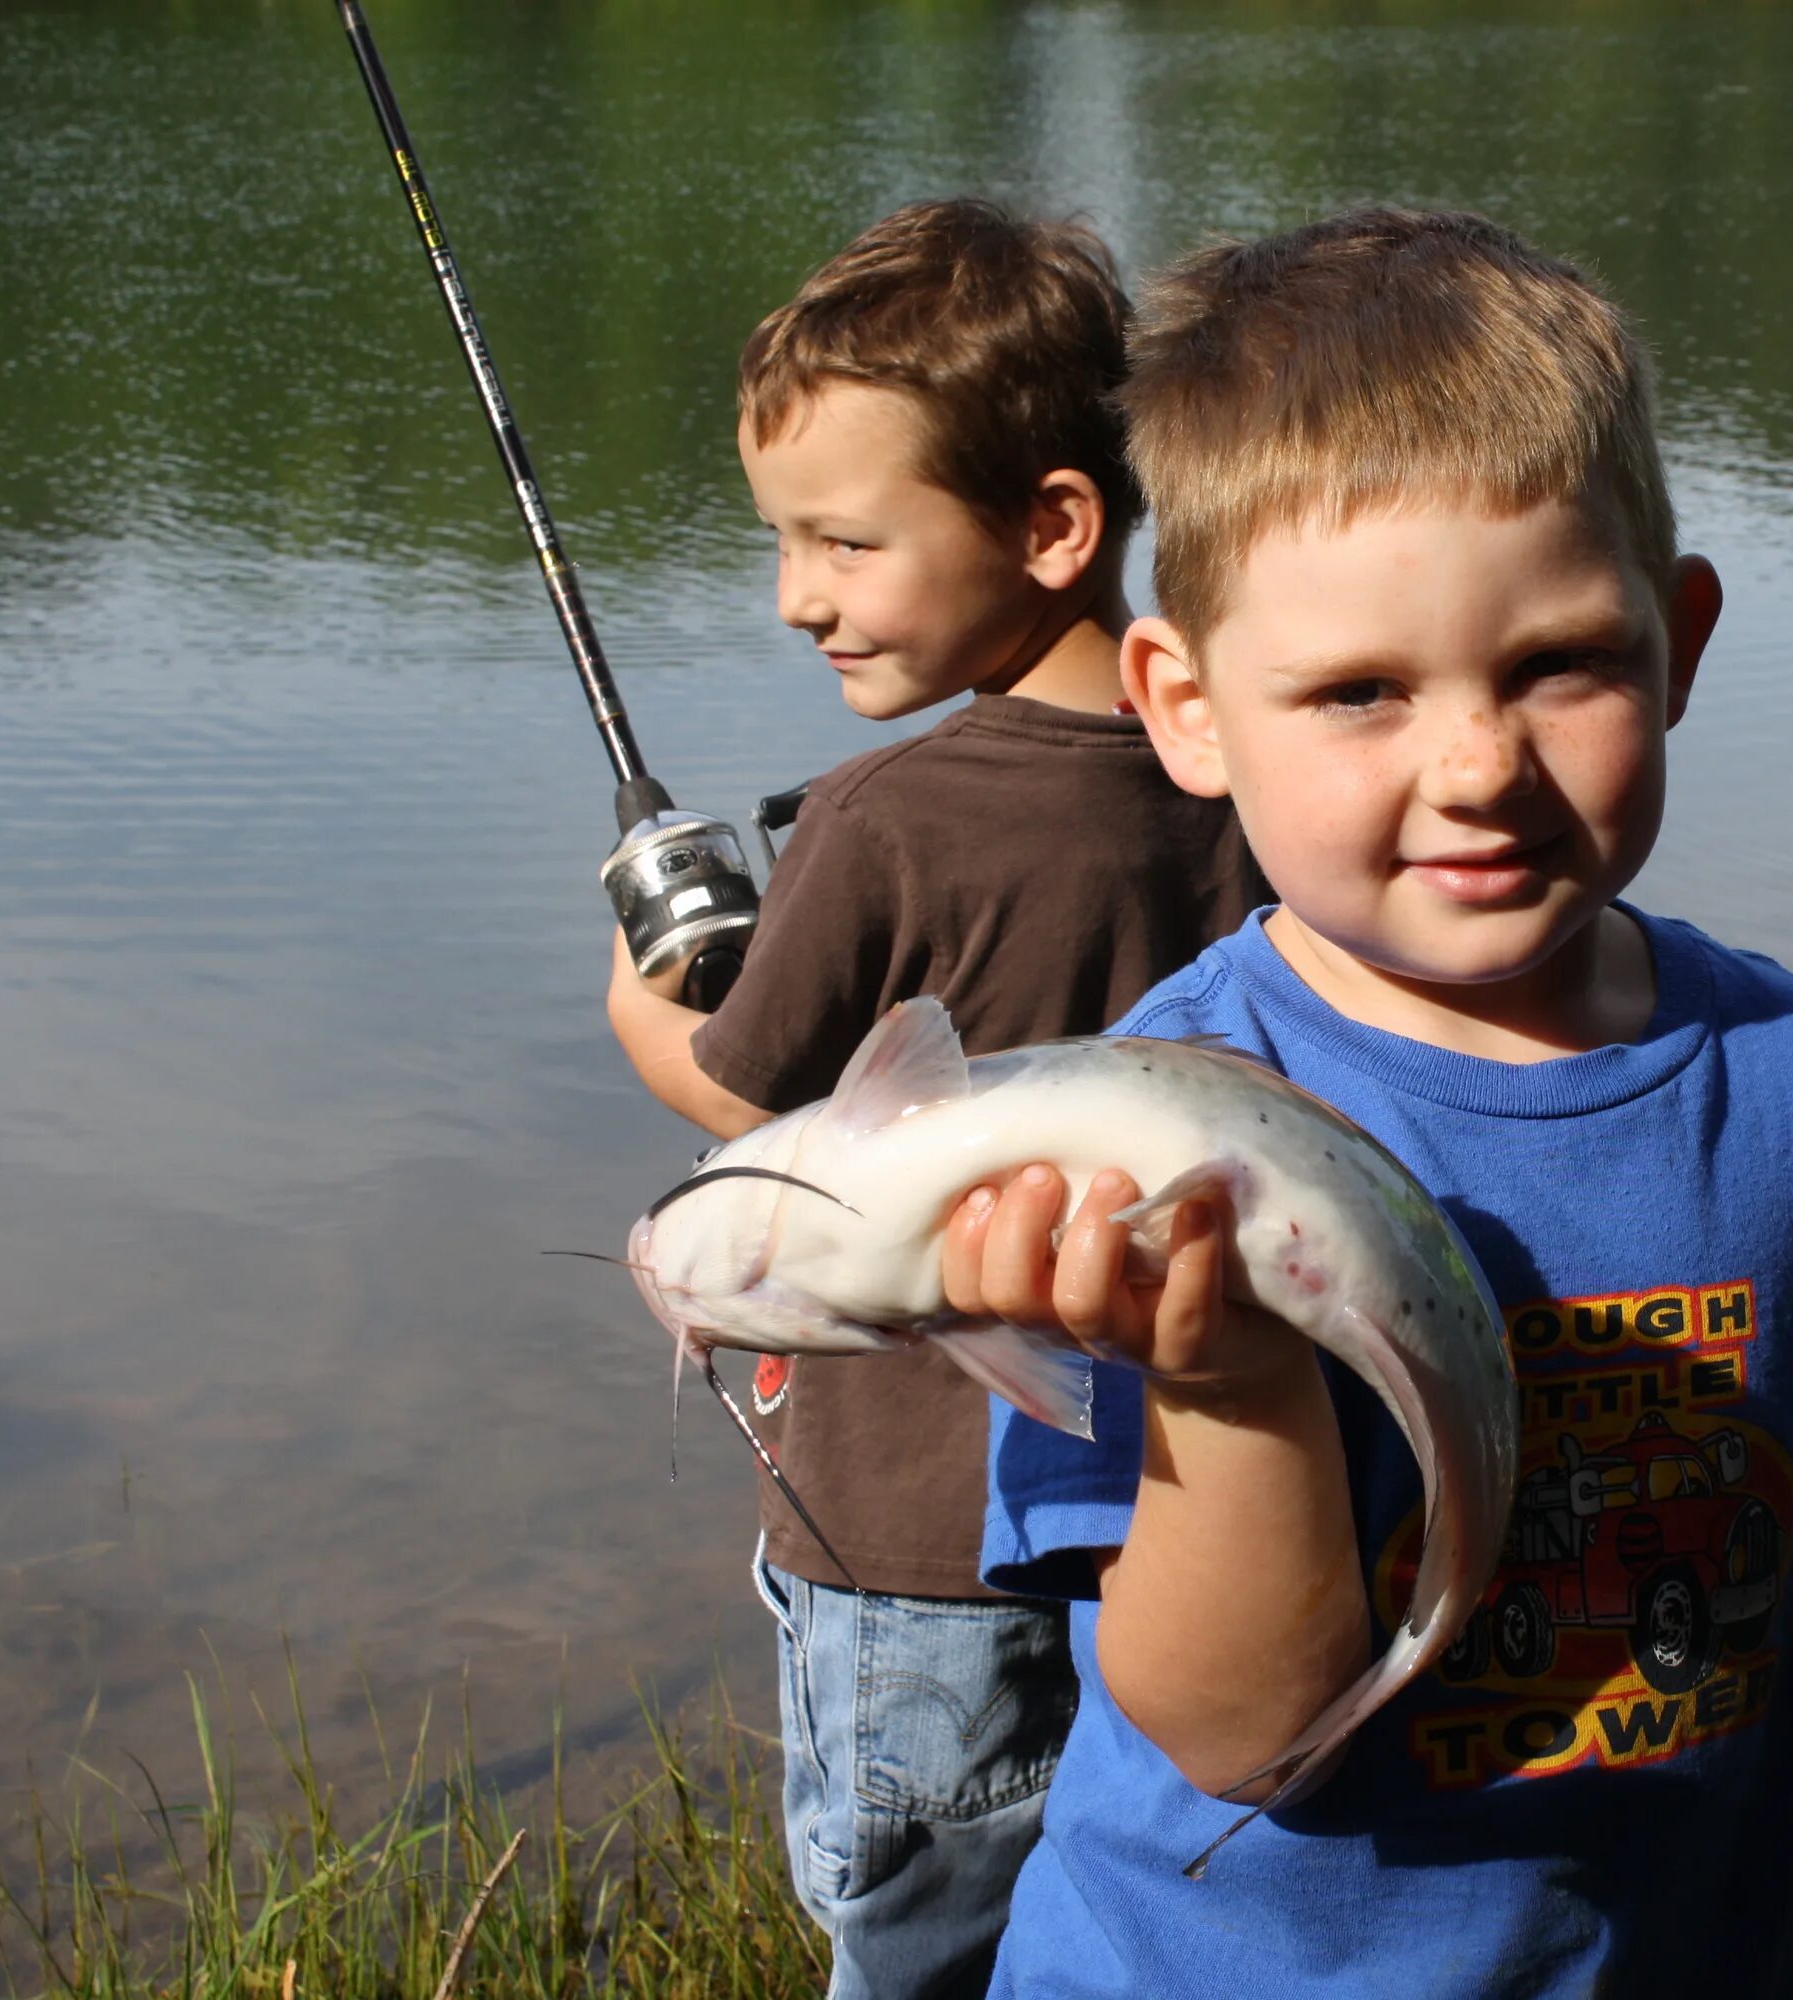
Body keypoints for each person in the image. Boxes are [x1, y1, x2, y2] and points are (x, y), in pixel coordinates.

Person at [942, 208, 1793, 1997]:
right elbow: (1238, 1734)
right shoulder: (1138, 1138)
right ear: (1188, 706)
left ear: (1679, 639)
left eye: (1561, 664)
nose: (1477, 766)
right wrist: (1228, 1384)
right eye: (1359, 694)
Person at [601, 198, 1267, 2000]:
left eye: (842, 540)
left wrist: (643, 993)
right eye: (785, 542)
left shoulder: (888, 822)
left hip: (915, 1550)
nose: (797, 593)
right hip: (1191, 1506)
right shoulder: (1244, 774)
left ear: (1053, 525)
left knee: (918, 1946)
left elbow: (747, 1114)